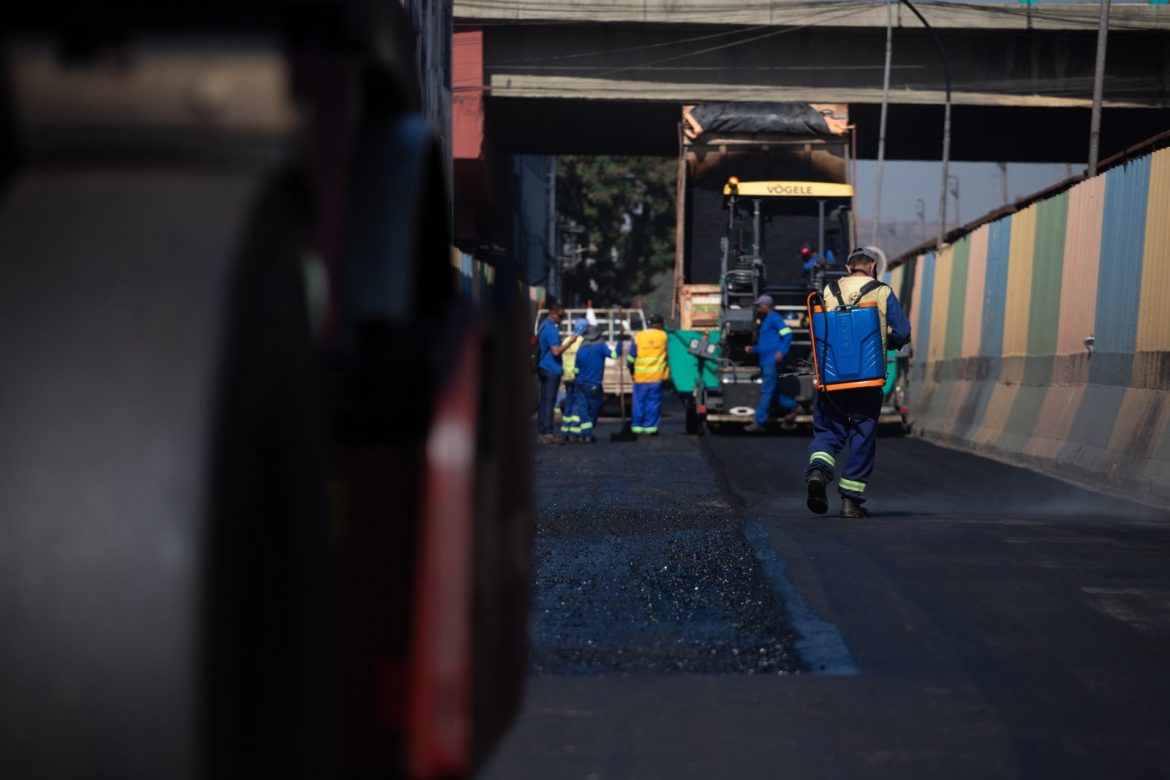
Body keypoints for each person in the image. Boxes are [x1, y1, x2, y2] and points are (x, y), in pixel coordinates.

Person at [805, 246, 911, 518]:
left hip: (833, 379)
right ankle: (850, 501)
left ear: (847, 267)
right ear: (873, 265)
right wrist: (892, 341)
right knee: (862, 436)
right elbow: (903, 332)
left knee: (828, 432)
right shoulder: (882, 291)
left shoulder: (828, 290)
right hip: (868, 379)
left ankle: (818, 471)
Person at [743, 294, 795, 433]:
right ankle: (794, 406)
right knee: (773, 392)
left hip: (771, 362)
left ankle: (758, 421)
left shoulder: (774, 318)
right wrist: (753, 349)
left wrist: (781, 352)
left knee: (766, 391)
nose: (758, 308)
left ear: (767, 305)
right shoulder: (767, 320)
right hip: (766, 361)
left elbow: (788, 334)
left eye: (760, 305)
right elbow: (766, 345)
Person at [566, 325, 619, 443]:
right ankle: (587, 433)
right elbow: (614, 355)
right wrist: (619, 345)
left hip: (580, 384)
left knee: (583, 409)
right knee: (594, 408)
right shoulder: (601, 347)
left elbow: (576, 369)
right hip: (594, 384)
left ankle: (583, 434)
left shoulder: (581, 350)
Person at [536, 302, 578, 444]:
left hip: (542, 367)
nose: (562, 319)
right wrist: (570, 342)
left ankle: (542, 432)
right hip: (551, 369)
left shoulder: (542, 326)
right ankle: (547, 433)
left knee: (543, 402)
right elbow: (556, 351)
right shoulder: (551, 330)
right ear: (553, 314)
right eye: (560, 316)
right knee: (549, 402)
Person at [626, 313, 670, 435]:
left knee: (639, 402)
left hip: (640, 378)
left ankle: (636, 427)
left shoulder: (638, 336)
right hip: (656, 378)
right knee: (653, 403)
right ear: (661, 324)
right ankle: (651, 428)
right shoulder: (663, 336)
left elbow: (631, 358)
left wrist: (631, 369)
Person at [560, 318, 588, 440]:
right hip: (578, 377)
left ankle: (565, 429)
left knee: (569, 403)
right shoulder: (583, 342)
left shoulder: (567, 340)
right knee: (578, 404)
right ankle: (575, 430)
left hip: (567, 376)